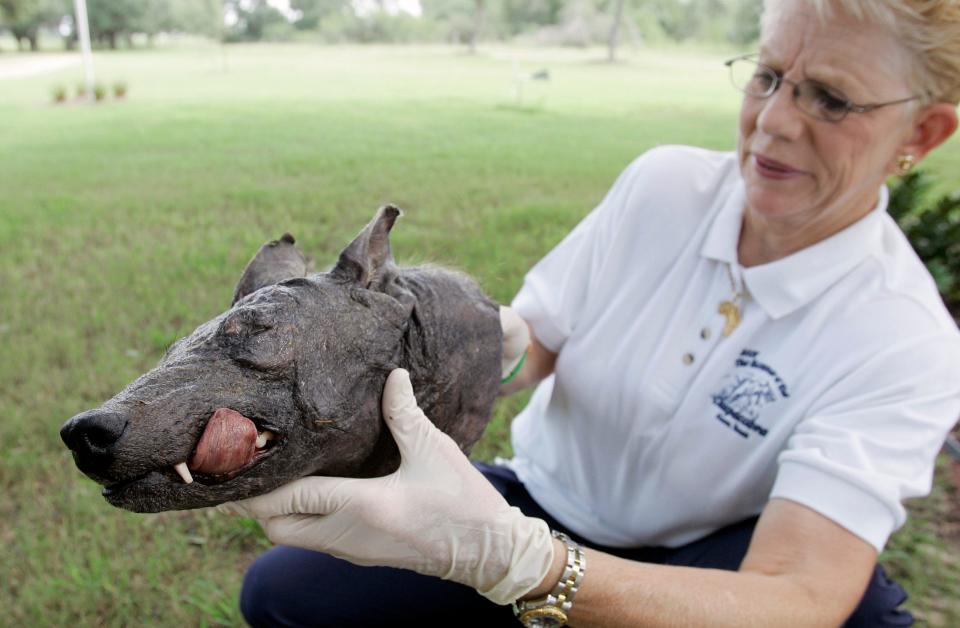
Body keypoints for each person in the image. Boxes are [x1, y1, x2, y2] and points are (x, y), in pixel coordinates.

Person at [225, 0, 960, 625]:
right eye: (767, 76)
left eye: (829, 98)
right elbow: (538, 338)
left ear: (922, 135)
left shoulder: (902, 339)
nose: (773, 122)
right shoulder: (665, 187)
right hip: (538, 501)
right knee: (284, 593)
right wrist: (479, 347)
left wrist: (527, 567)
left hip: (703, 554)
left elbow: (798, 592)